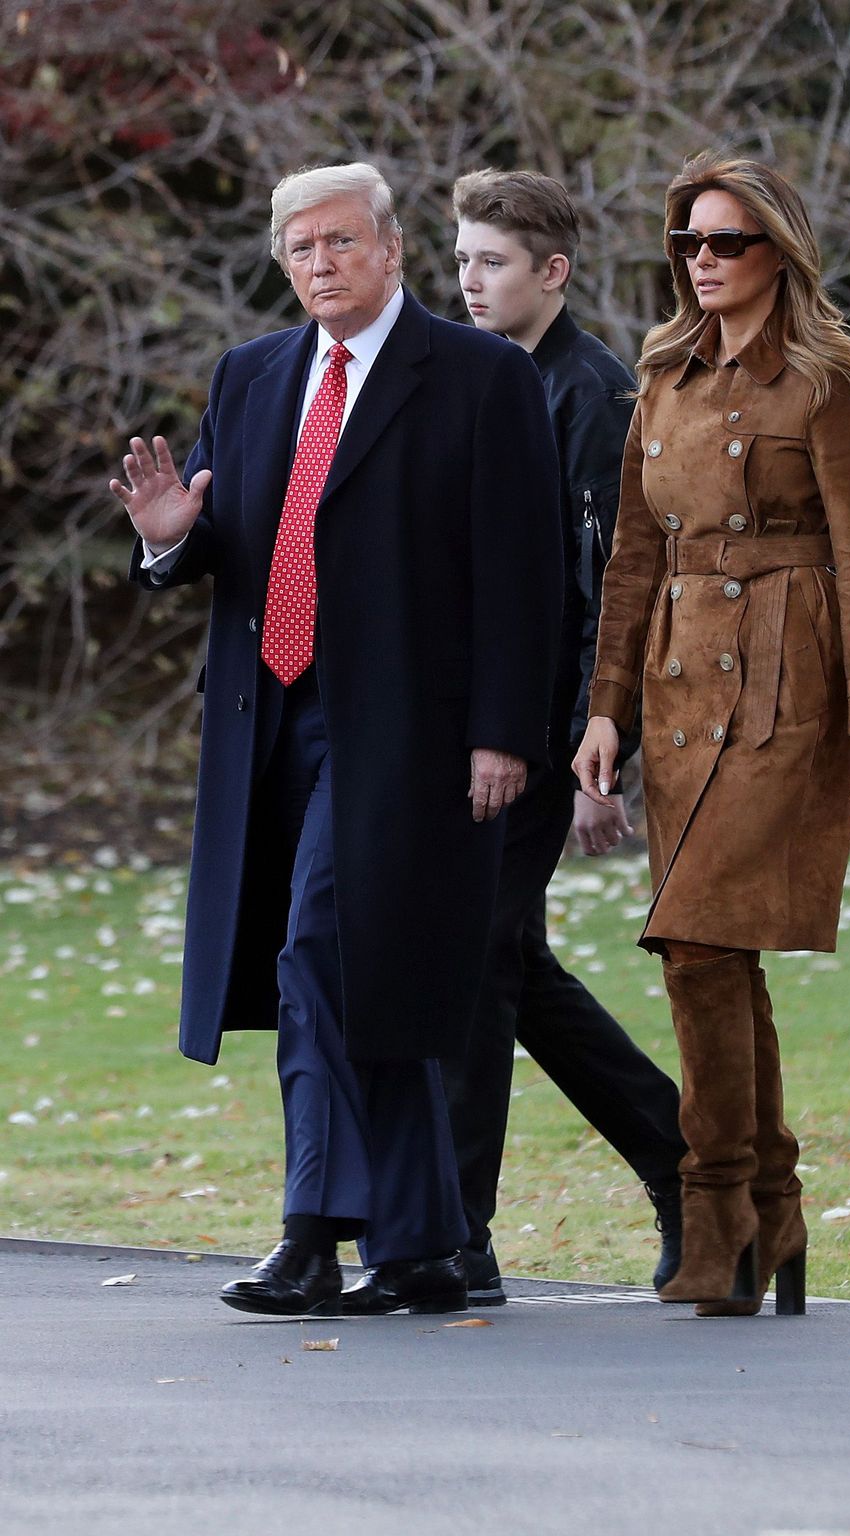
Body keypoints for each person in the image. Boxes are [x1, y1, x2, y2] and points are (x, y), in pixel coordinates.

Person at [110, 162, 562, 1318]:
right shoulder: (253, 375)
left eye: (341, 242)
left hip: (412, 734)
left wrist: (505, 733)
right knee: (363, 974)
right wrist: (172, 541)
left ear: (393, 247)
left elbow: (525, 573)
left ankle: (310, 1233)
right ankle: (419, 1246)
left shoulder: (479, 378)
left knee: (318, 952)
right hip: (270, 724)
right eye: (301, 248)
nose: (321, 264)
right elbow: (235, 544)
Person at [573, 155, 850, 1317]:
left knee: (703, 943)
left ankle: (718, 1211)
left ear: (778, 250)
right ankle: (770, 1207)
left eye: (724, 241)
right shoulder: (659, 376)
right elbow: (631, 557)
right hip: (673, 688)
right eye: (686, 244)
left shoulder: (825, 381)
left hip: (787, 687)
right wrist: (604, 708)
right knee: (704, 949)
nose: (702, 260)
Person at [445, 169, 686, 1305]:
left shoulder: (588, 396)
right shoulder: (479, 383)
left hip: (545, 736)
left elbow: (617, 592)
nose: (469, 282)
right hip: (473, 727)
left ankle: (461, 1232)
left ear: (554, 272)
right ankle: (685, 1161)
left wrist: (603, 750)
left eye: (491, 262)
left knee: (488, 964)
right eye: (459, 260)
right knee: (505, 964)